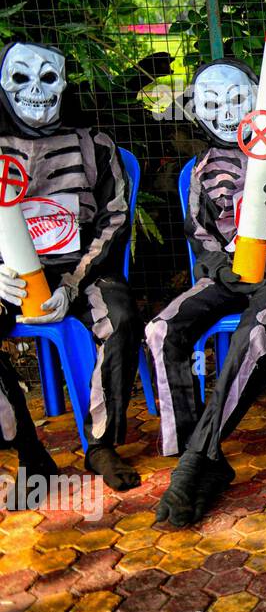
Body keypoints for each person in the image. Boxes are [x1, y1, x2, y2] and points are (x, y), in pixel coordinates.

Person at [148, 56, 266, 527]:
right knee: (160, 331)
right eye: (212, 102)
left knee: (254, 334)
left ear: (258, 94)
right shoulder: (200, 168)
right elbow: (199, 233)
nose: (226, 110)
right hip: (231, 273)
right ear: (197, 109)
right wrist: (218, 266)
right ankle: (198, 454)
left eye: (236, 98)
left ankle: (193, 469)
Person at [0, 40, 142, 493]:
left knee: (120, 319)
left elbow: (115, 218)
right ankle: (27, 446)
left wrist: (73, 281)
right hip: (7, 276)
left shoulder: (95, 145)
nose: (36, 90)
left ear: (64, 85)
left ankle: (101, 444)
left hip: (83, 269)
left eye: (49, 76)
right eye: (21, 77)